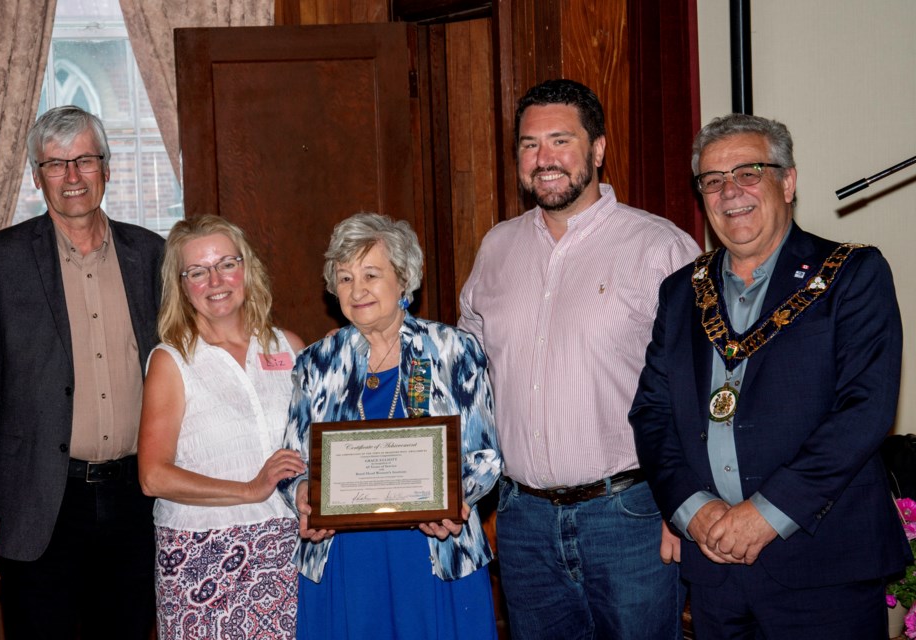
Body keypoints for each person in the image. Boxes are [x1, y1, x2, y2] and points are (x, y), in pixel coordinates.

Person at [629, 113, 912, 638]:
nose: (729, 192)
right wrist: (692, 510)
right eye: (712, 180)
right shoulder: (681, 291)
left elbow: (865, 411)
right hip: (713, 568)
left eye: (748, 172)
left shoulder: (850, 274)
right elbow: (652, 412)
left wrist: (765, 513)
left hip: (821, 566)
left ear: (787, 180)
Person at [458, 78, 700, 639]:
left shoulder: (660, 247)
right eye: (528, 144)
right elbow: (465, 375)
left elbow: (697, 388)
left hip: (633, 518)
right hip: (522, 524)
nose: (543, 159)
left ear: (597, 149)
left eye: (560, 141)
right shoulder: (496, 248)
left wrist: (683, 507)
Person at [0, 105, 164, 639]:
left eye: (85, 161)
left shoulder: (153, 255)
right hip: (39, 504)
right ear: (36, 177)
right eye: (56, 164)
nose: (72, 177)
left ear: (107, 168)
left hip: (136, 502)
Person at [281, 212, 501, 639]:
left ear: (403, 279)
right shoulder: (316, 362)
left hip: (436, 549)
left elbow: (486, 456)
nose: (356, 289)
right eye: (344, 278)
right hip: (344, 559)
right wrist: (304, 494)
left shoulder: (452, 349)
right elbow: (293, 463)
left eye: (370, 274)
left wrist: (453, 501)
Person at [138, 215, 306, 640]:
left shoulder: (290, 347)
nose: (215, 279)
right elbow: (153, 476)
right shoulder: (171, 361)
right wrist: (249, 489)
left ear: (247, 269)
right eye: (197, 271)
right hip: (202, 556)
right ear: (181, 285)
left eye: (226, 264)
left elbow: (316, 448)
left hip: (288, 547)